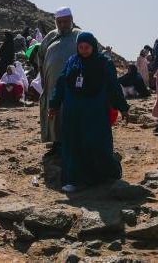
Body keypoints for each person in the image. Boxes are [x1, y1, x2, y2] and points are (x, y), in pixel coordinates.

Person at [48, 32, 129, 193]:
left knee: (95, 144)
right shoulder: (72, 61)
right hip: (73, 114)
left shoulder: (104, 63)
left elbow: (114, 87)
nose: (84, 50)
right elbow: (61, 83)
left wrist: (123, 107)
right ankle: (75, 180)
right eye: (81, 47)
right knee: (73, 145)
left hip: (95, 113)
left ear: (93, 46)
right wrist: (54, 105)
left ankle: (102, 175)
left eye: (87, 47)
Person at [37, 7, 82, 157]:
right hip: (52, 84)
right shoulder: (50, 36)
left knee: (71, 112)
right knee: (54, 112)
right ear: (55, 22)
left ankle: (73, 143)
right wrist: (43, 75)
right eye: (59, 22)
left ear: (71, 20)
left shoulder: (79, 35)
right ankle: (56, 143)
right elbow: (41, 56)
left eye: (66, 21)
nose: (63, 25)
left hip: (74, 85)